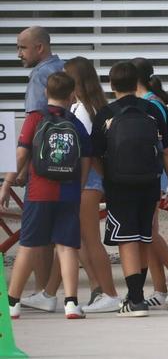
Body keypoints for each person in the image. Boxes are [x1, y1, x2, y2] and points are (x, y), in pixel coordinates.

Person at [88, 61, 168, 317]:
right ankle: (135, 295)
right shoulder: (152, 110)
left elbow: (94, 154)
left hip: (119, 185)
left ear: (112, 85)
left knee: (126, 239)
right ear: (138, 82)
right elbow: (166, 150)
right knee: (143, 236)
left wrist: (106, 177)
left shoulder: (106, 113)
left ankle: (136, 300)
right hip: (150, 183)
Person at [2, 72, 91, 320]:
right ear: (72, 94)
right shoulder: (75, 122)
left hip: (39, 191)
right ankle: (71, 303)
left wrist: (7, 184)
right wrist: (80, 187)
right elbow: (86, 159)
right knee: (67, 247)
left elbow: (21, 155)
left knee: (29, 245)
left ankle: (13, 303)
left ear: (45, 93)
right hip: (69, 192)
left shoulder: (35, 118)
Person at [129, 57, 168, 308]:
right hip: (157, 175)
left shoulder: (151, 105)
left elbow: (164, 147)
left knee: (148, 231)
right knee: (148, 233)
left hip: (154, 175)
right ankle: (159, 288)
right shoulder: (151, 103)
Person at [63, 57, 122, 314]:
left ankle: (109, 293)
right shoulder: (96, 107)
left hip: (87, 180)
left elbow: (86, 151)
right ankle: (100, 289)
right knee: (82, 240)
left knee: (90, 239)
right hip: (92, 179)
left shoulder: (83, 111)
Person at [14, 26, 64, 311]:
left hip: (43, 166)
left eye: (22, 47)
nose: (19, 53)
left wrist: (21, 168)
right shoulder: (66, 68)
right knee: (68, 236)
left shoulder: (38, 78)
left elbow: (35, 126)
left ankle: (43, 291)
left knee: (37, 233)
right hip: (69, 165)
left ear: (40, 48)